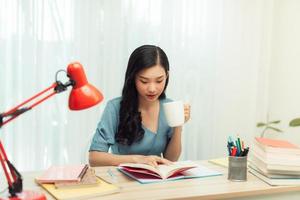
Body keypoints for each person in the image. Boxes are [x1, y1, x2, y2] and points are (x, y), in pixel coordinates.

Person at [89, 45, 190, 167]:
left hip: (157, 180)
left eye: (159, 81)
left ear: (167, 76)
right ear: (133, 78)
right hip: (123, 180)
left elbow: (171, 159)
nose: (152, 89)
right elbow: (94, 158)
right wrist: (136, 160)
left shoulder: (169, 106)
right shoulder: (115, 107)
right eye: (144, 81)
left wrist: (178, 125)